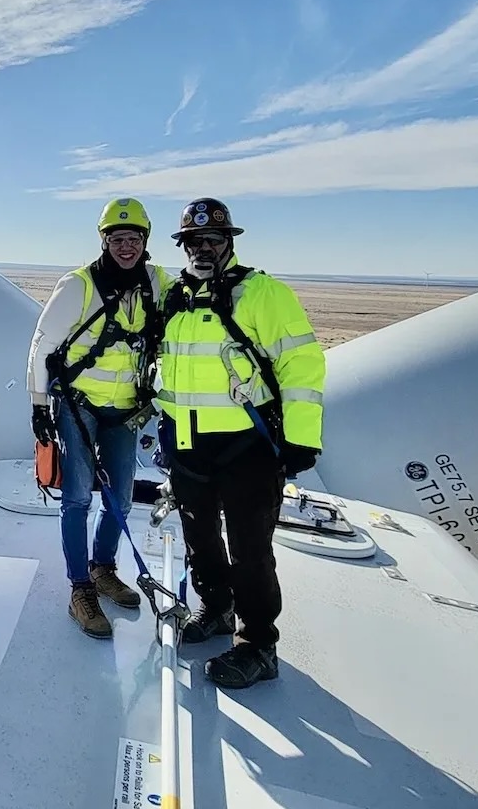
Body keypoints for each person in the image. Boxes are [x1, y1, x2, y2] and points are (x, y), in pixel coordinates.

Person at [151, 198, 324, 687]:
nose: (203, 248)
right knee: (199, 537)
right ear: (183, 247)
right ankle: (217, 610)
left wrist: (301, 439)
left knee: (249, 548)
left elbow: (302, 365)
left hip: (248, 444)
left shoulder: (263, 294)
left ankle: (258, 644)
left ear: (230, 243)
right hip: (188, 443)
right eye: (194, 241)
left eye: (213, 239)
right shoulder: (175, 299)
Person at [29, 198, 171, 639]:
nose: (125, 246)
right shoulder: (79, 286)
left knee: (122, 500)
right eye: (117, 238)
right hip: (79, 406)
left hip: (127, 409)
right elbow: (42, 343)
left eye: (133, 238)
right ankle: (81, 590)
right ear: (104, 241)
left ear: (145, 241)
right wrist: (38, 404)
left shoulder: (157, 283)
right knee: (76, 498)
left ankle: (104, 568)